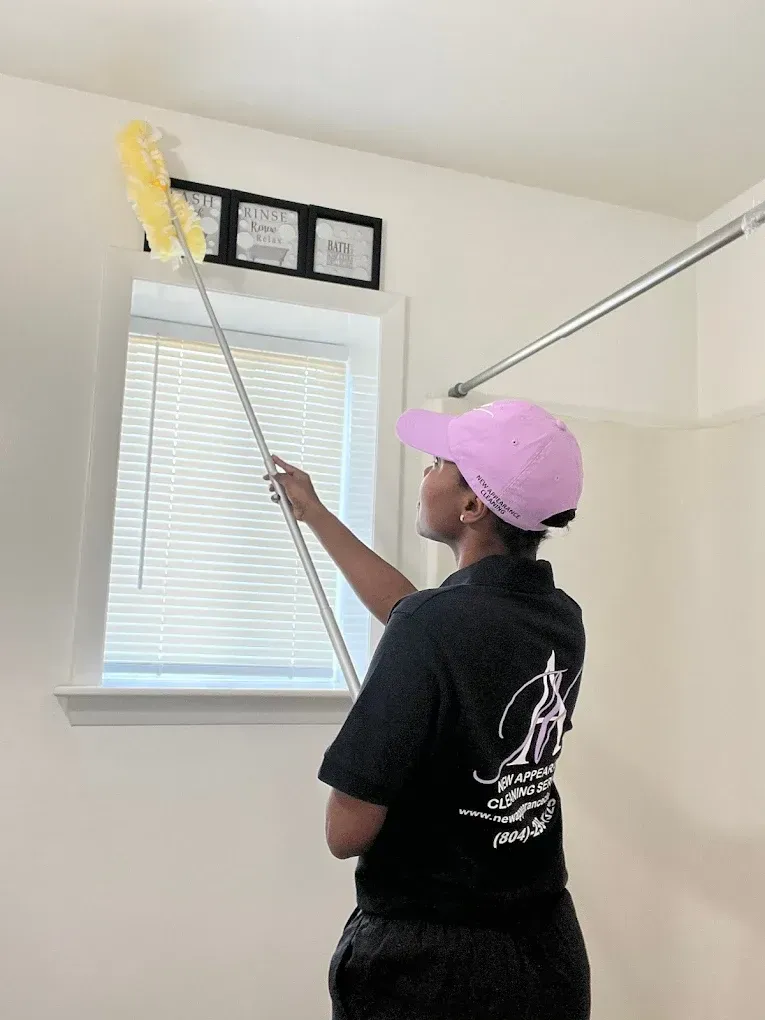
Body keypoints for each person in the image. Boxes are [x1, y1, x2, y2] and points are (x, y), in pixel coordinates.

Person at [269, 400, 589, 1020]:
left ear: (471, 506)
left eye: (440, 461)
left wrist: (389, 714)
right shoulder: (558, 616)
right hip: (545, 952)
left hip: (433, 969)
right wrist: (317, 515)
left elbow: (345, 833)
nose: (426, 470)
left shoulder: (432, 629)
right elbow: (414, 611)